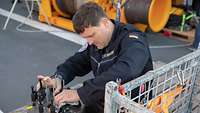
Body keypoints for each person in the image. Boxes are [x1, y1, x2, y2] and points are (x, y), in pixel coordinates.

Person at [37, 2, 153, 113]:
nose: (90, 42)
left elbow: (126, 69)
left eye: (92, 35)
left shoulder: (133, 40)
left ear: (105, 23)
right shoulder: (95, 43)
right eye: (86, 38)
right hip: (103, 100)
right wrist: (58, 79)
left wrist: (81, 93)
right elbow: (75, 63)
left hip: (131, 106)